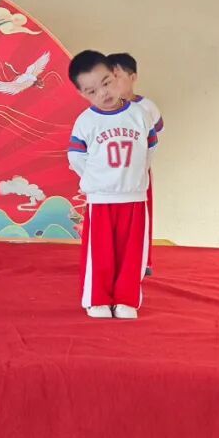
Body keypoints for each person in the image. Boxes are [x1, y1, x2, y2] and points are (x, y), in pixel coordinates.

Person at [67, 50, 157, 320]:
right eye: (92, 91)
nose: (103, 93)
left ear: (116, 76)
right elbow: (76, 158)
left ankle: (126, 299)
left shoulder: (140, 115)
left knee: (132, 253)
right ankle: (98, 298)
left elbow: (150, 148)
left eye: (106, 83)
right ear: (82, 94)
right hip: (102, 199)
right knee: (101, 251)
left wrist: (135, 177)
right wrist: (98, 181)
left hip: (134, 197)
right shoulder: (86, 122)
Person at [108, 52, 163, 277]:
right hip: (110, 173)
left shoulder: (147, 108)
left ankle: (143, 260)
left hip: (138, 172)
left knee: (141, 215)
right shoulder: (104, 107)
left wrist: (141, 165)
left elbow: (155, 138)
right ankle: (110, 258)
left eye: (117, 76)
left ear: (133, 77)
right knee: (110, 216)